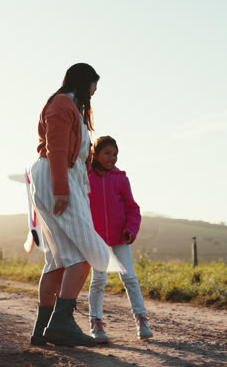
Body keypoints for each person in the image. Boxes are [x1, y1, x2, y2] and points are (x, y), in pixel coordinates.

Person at [29, 64, 125, 348]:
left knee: (59, 260)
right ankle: (61, 324)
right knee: (87, 251)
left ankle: (43, 329)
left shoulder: (71, 107)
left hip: (62, 180)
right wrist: (61, 190)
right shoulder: (62, 103)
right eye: (94, 85)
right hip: (58, 180)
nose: (95, 91)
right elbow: (55, 148)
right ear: (86, 82)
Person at [88, 136, 153, 343]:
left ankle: (141, 320)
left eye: (115, 154)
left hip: (119, 237)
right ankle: (96, 323)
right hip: (96, 239)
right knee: (99, 280)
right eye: (107, 153)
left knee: (130, 279)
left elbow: (133, 209)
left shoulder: (121, 179)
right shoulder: (85, 177)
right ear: (95, 154)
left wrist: (130, 230)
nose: (112, 158)